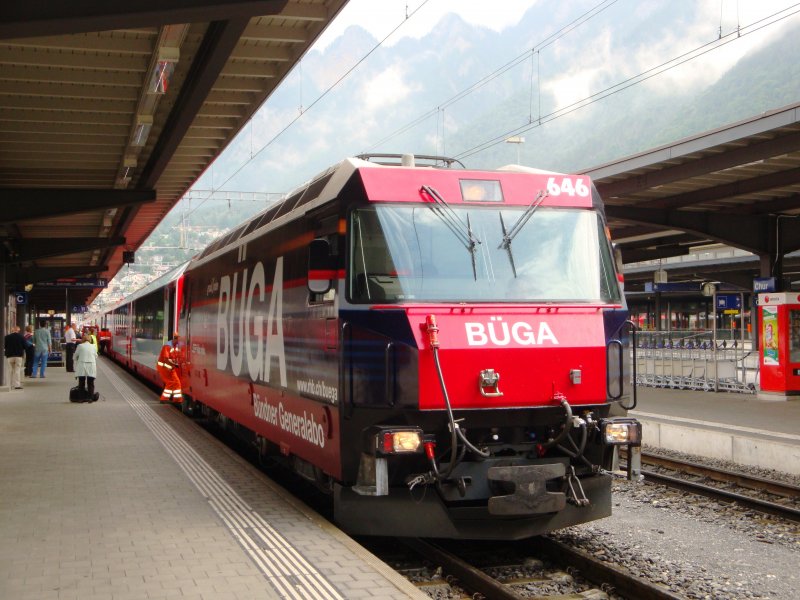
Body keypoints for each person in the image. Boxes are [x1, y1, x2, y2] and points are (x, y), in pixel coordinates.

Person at [156, 332, 184, 403]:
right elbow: (166, 359)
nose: (180, 342)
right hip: (163, 368)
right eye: (179, 340)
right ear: (175, 339)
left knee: (177, 382)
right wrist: (175, 364)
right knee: (170, 383)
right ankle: (164, 399)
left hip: (170, 368)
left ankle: (177, 400)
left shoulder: (175, 346)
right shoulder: (167, 346)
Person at [74, 334, 99, 402]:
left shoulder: (80, 346)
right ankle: (90, 398)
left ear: (83, 340)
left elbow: (75, 356)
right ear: (90, 340)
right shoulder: (93, 346)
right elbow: (96, 356)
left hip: (82, 365)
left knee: (81, 383)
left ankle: (81, 399)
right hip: (91, 365)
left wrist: (77, 359)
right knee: (90, 383)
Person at [4, 326, 27, 390]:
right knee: (17, 370)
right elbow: (25, 346)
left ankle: (9, 385)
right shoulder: (22, 337)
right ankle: (17, 385)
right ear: (18, 330)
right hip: (18, 356)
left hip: (9, 356)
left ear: (12, 330)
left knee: (10, 371)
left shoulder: (7, 337)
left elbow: (4, 346)